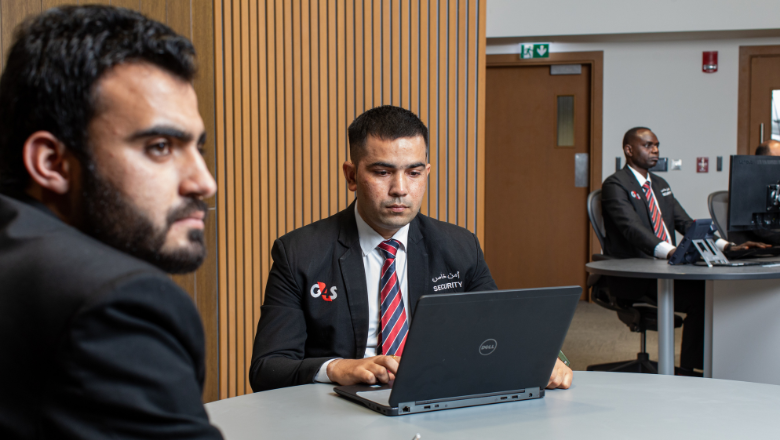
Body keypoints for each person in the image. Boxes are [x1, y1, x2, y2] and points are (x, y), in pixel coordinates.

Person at [0, 6, 222, 439]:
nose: (204, 182)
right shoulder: (119, 303)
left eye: (199, 147)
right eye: (160, 146)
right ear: (52, 163)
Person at [249, 105, 573, 391]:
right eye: (382, 172)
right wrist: (336, 368)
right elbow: (268, 368)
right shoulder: (299, 253)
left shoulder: (459, 247)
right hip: (341, 407)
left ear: (426, 174)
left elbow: (498, 331)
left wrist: (543, 359)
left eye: (414, 173)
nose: (400, 189)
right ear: (351, 175)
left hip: (438, 401)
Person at [601, 127, 765, 375]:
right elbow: (632, 230)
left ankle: (714, 364)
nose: (655, 150)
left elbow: (687, 224)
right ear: (629, 150)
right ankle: (691, 370)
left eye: (657, 145)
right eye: (647, 145)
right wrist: (670, 252)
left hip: (667, 268)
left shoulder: (660, 184)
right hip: (637, 274)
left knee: (715, 291)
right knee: (703, 298)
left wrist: (728, 247)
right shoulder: (615, 185)